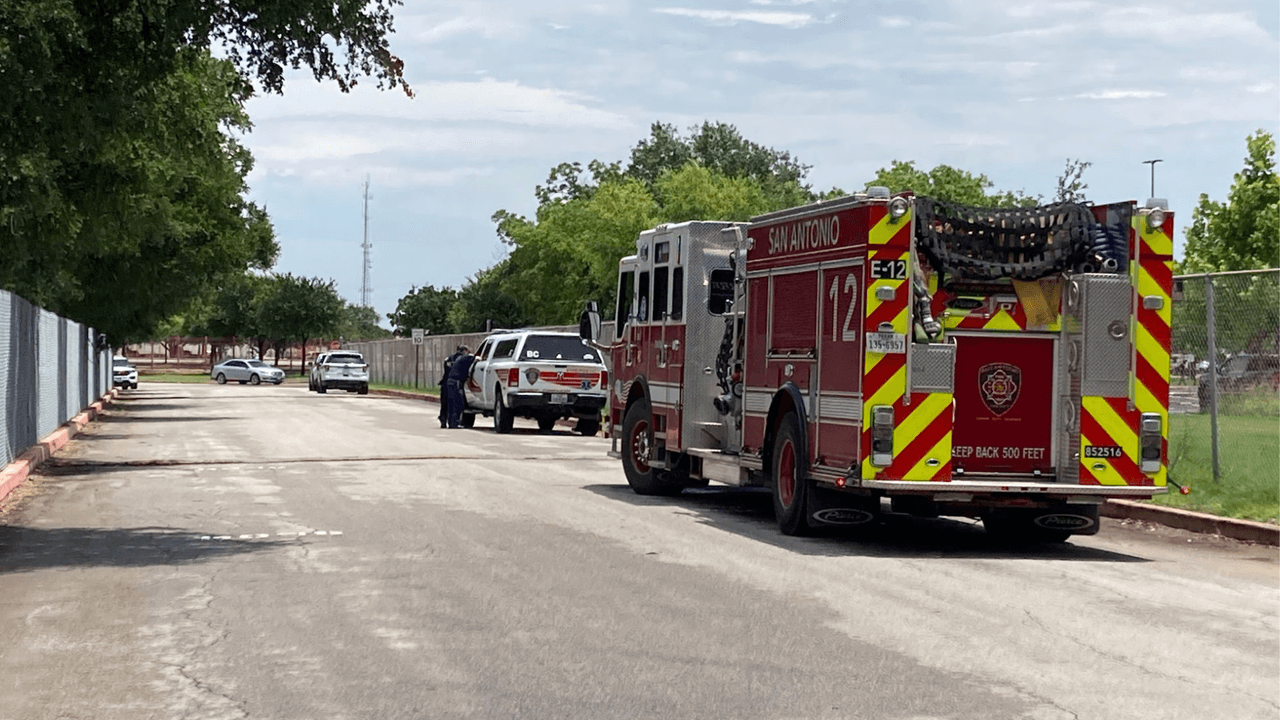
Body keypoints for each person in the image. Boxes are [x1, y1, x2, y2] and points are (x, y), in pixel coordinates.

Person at [445, 345, 475, 429]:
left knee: (451, 403)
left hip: (450, 381)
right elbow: (475, 358)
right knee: (458, 403)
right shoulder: (466, 358)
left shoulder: (458, 358)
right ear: (465, 351)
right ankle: (455, 423)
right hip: (456, 382)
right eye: (468, 351)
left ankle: (451, 423)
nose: (469, 352)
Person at [438, 346, 463, 428]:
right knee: (453, 404)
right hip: (453, 383)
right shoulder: (461, 359)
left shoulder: (448, 359)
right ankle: (452, 422)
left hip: (445, 383)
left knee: (444, 403)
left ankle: (443, 420)